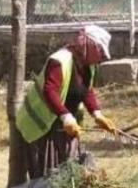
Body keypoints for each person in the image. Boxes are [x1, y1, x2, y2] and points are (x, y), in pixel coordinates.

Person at [15, 25, 118, 179]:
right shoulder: (60, 60)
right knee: (47, 176)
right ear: (88, 46)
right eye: (100, 52)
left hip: (66, 126)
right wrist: (66, 117)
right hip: (44, 126)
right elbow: (49, 91)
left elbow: (86, 90)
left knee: (67, 172)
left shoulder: (89, 66)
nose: (102, 57)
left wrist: (97, 114)